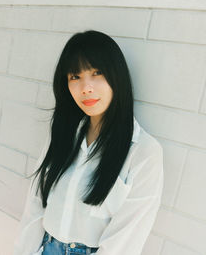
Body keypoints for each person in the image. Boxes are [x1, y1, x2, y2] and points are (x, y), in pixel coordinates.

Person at [13, 30, 164, 255]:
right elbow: (35, 206)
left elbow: (125, 240)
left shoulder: (143, 152)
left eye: (97, 73)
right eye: (75, 76)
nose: (86, 87)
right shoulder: (63, 136)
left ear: (117, 76)